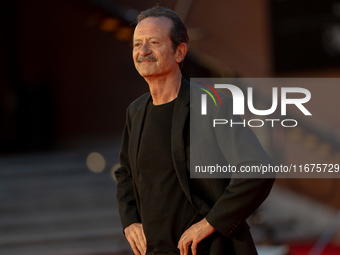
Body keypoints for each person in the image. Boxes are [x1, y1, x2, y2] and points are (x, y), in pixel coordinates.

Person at [115, 6, 274, 255]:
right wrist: (130, 221)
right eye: (137, 44)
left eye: (153, 42)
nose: (142, 51)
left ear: (179, 52)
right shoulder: (135, 111)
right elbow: (125, 173)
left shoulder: (210, 104)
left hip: (209, 249)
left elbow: (258, 168)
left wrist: (211, 223)